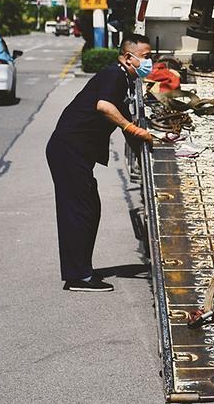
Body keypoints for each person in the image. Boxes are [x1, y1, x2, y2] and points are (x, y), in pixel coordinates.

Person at [46, 33, 155, 293]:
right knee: (79, 210)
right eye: (147, 57)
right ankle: (78, 276)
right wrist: (133, 128)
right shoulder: (114, 75)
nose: (151, 62)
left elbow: (127, 126)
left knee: (89, 208)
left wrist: (146, 148)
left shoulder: (124, 79)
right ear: (129, 57)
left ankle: (82, 269)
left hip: (75, 152)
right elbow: (105, 107)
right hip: (69, 150)